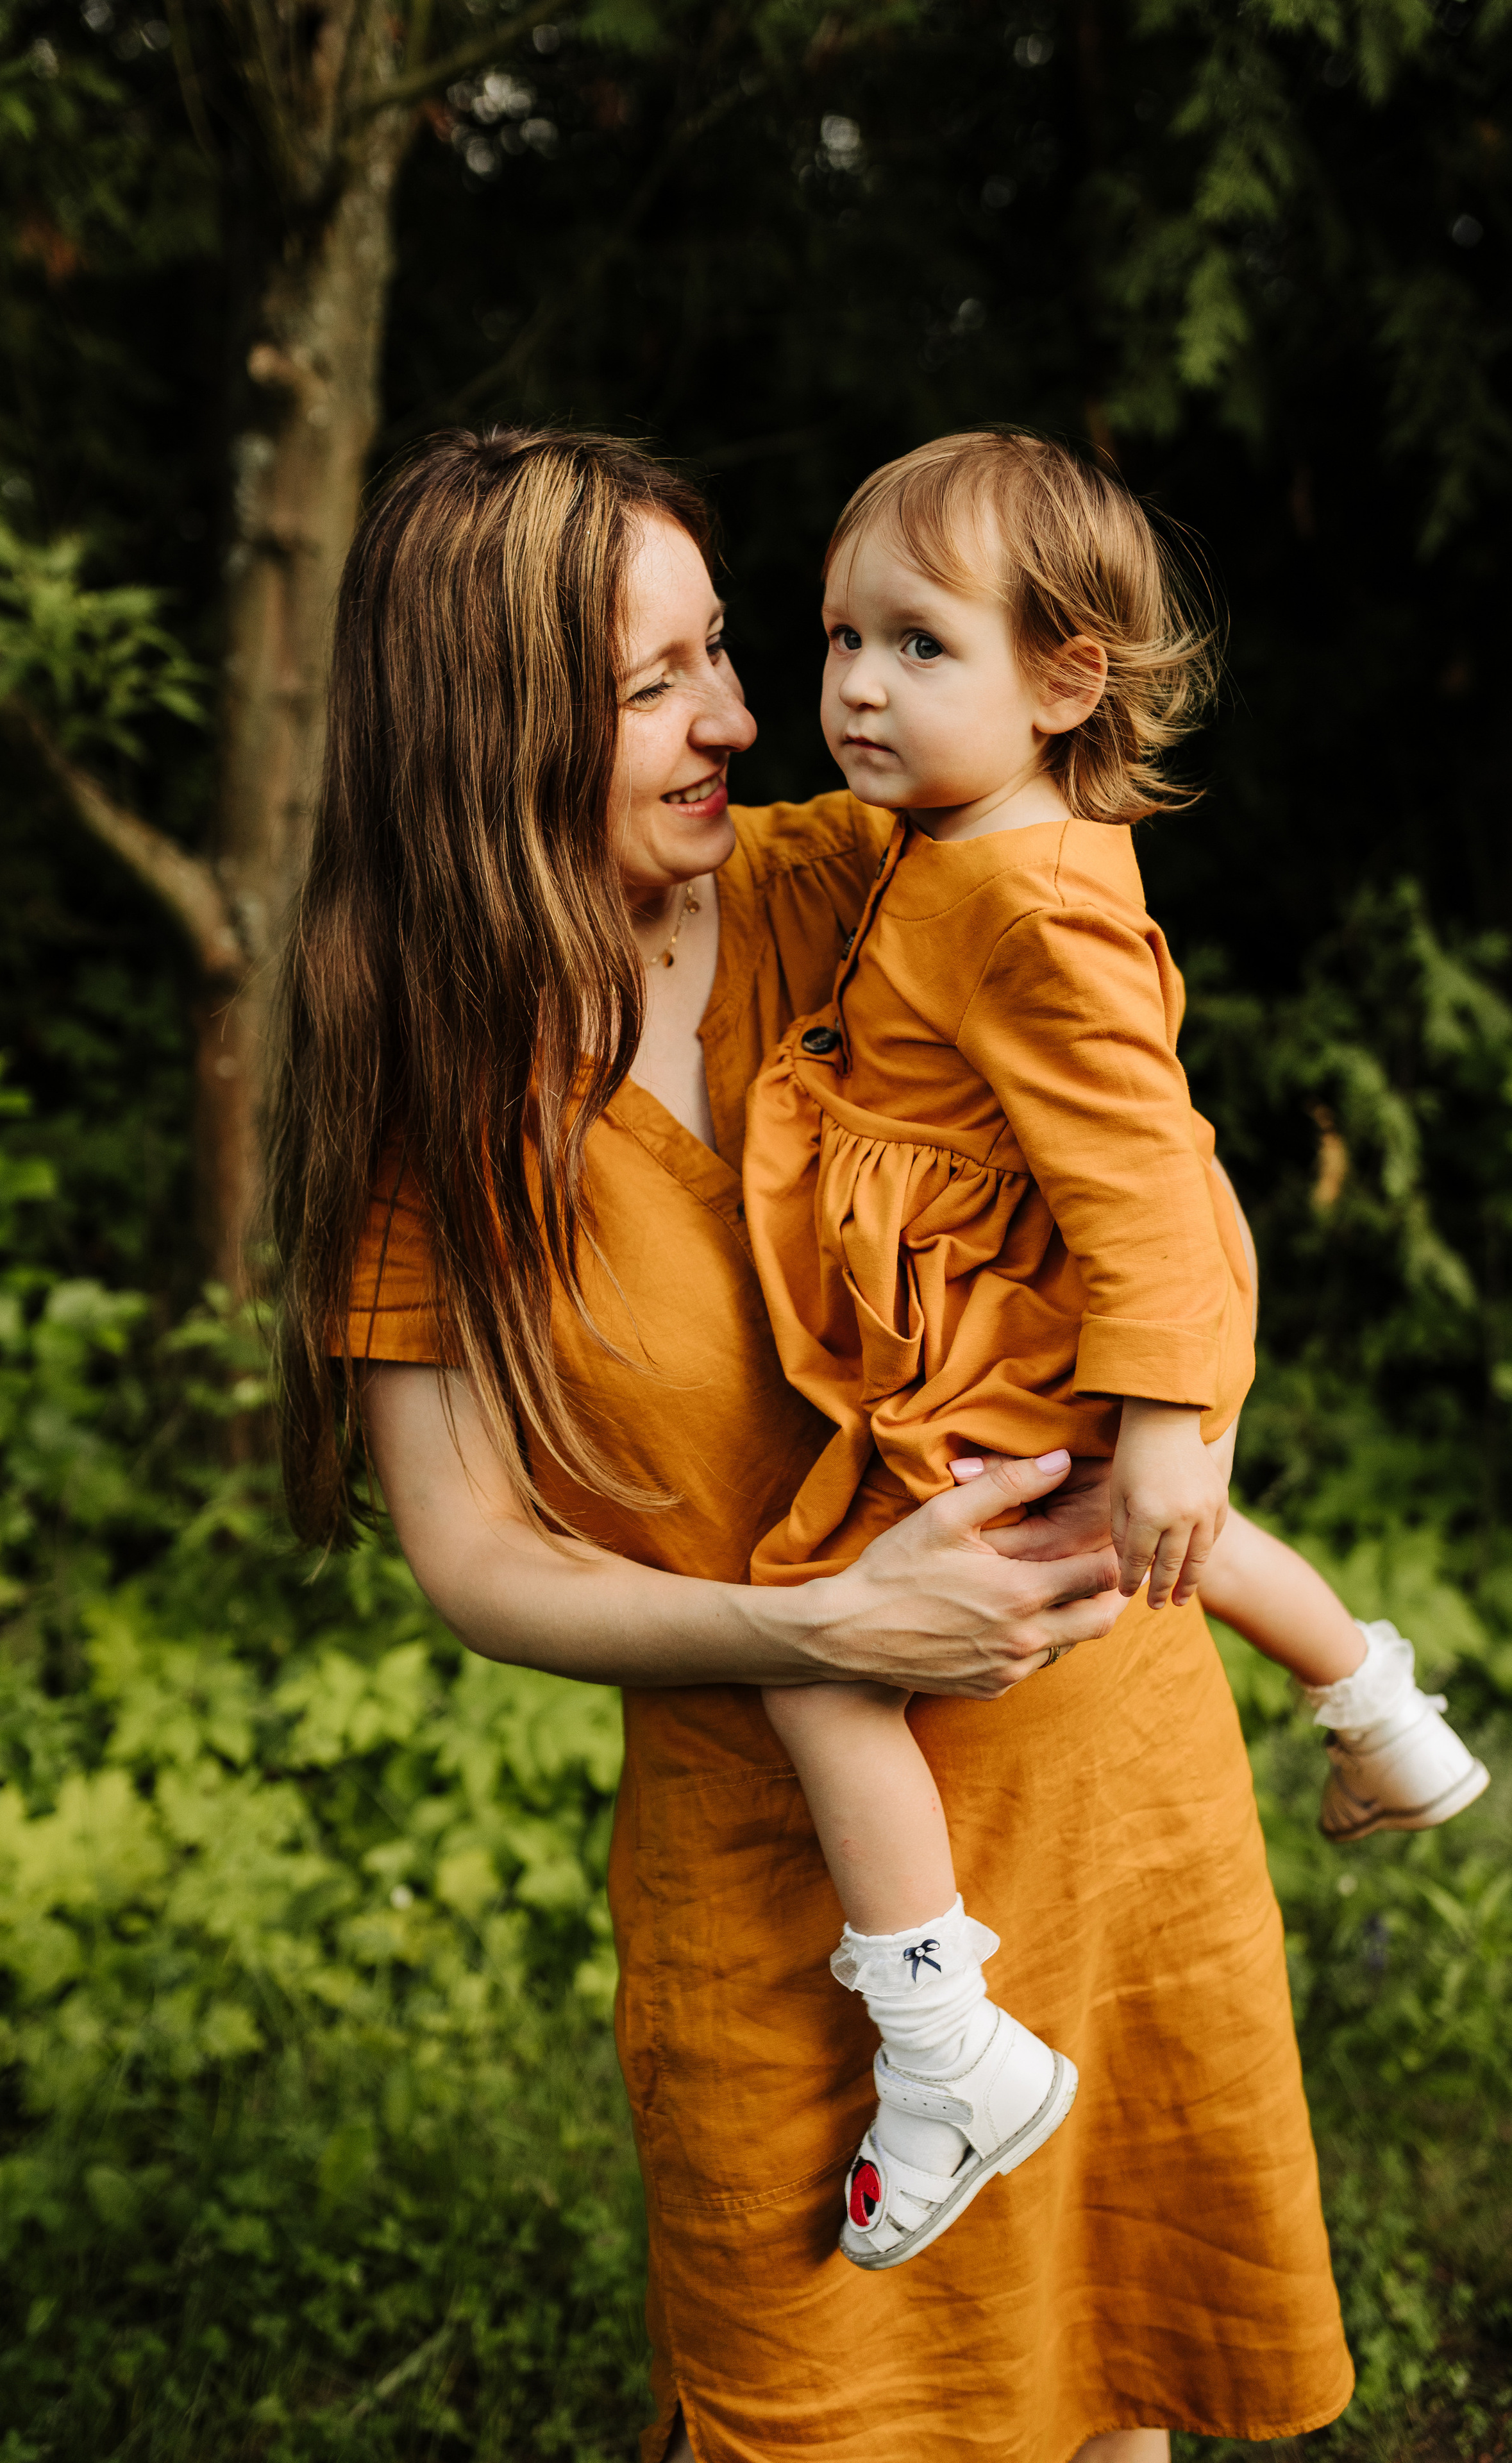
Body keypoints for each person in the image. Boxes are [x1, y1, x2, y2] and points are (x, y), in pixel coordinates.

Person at [268, 425, 1354, 2463]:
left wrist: (1173, 1426)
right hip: (786, 1865)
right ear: (490, 727)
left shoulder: (871, 890)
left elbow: (1159, 1188)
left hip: (1098, 1758)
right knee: (816, 2403)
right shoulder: (433, 1101)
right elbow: (475, 1556)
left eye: (725, 651)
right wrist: (841, 1628)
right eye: (654, 684)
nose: (746, 718)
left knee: (1114, 2381)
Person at [740, 428, 1490, 2271]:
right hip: (1014, 1323)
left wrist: (1170, 1415)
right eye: (839, 637)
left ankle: (945, 2057)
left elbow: (1151, 1175)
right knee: (1135, 1531)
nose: (853, 684)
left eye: (921, 644)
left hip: (1003, 1345)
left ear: (1067, 677)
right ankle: (1383, 1715)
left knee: (816, 1653)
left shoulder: (1029, 897)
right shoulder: (962, 848)